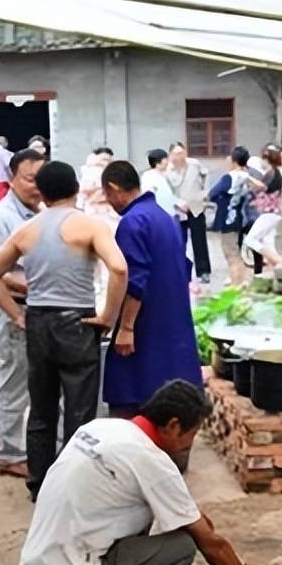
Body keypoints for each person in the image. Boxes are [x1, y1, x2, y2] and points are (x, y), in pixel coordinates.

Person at [19, 380, 282, 565]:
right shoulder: (152, 462)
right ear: (173, 425)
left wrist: (194, 519)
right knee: (181, 547)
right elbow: (210, 544)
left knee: (161, 518)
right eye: (191, 434)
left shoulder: (103, 427)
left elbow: (191, 515)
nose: (188, 445)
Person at [0, 160, 128, 500]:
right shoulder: (89, 226)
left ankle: (39, 484)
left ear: (43, 194)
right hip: (77, 322)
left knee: (41, 407)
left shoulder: (26, 230)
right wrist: (108, 315)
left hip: (39, 322)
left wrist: (16, 315)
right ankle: (76, 485)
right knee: (79, 409)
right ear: (76, 188)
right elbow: (119, 268)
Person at [100, 160, 203, 418]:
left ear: (114, 188)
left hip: (145, 326)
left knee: (133, 398)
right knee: (172, 401)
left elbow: (135, 279)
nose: (109, 202)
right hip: (172, 320)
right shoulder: (164, 217)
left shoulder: (133, 223)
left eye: (107, 195)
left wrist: (126, 327)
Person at [0, 148, 44, 479]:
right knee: (14, 382)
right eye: (30, 179)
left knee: (39, 383)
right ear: (11, 179)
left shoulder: (42, 211)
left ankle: (29, 447)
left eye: (40, 178)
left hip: (40, 310)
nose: (36, 186)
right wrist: (32, 291)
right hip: (15, 310)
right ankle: (8, 455)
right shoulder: (1, 217)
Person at [207, 146, 255, 288]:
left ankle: (235, 284)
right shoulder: (247, 177)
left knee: (230, 253)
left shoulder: (229, 177)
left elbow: (213, 193)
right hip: (240, 217)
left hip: (228, 217)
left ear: (234, 160)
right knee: (237, 251)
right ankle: (243, 280)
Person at [165, 141, 211, 284]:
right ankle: (182, 272)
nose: (180, 156)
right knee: (180, 242)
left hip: (196, 207)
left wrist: (204, 193)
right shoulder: (168, 171)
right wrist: (178, 203)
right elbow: (167, 192)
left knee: (200, 241)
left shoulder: (194, 164)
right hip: (179, 211)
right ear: (171, 155)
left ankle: (203, 272)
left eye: (182, 152)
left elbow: (206, 175)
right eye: (176, 153)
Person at [242, 145, 282, 273]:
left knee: (251, 240)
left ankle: (280, 263)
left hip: (270, 213)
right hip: (271, 213)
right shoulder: (271, 173)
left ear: (267, 159)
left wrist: (247, 177)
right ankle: (276, 272)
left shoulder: (273, 174)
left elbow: (263, 187)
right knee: (268, 244)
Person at [140, 149, 177, 217]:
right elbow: (146, 195)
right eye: (165, 159)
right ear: (157, 162)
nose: (168, 162)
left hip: (171, 213)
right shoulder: (148, 176)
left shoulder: (168, 174)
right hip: (157, 215)